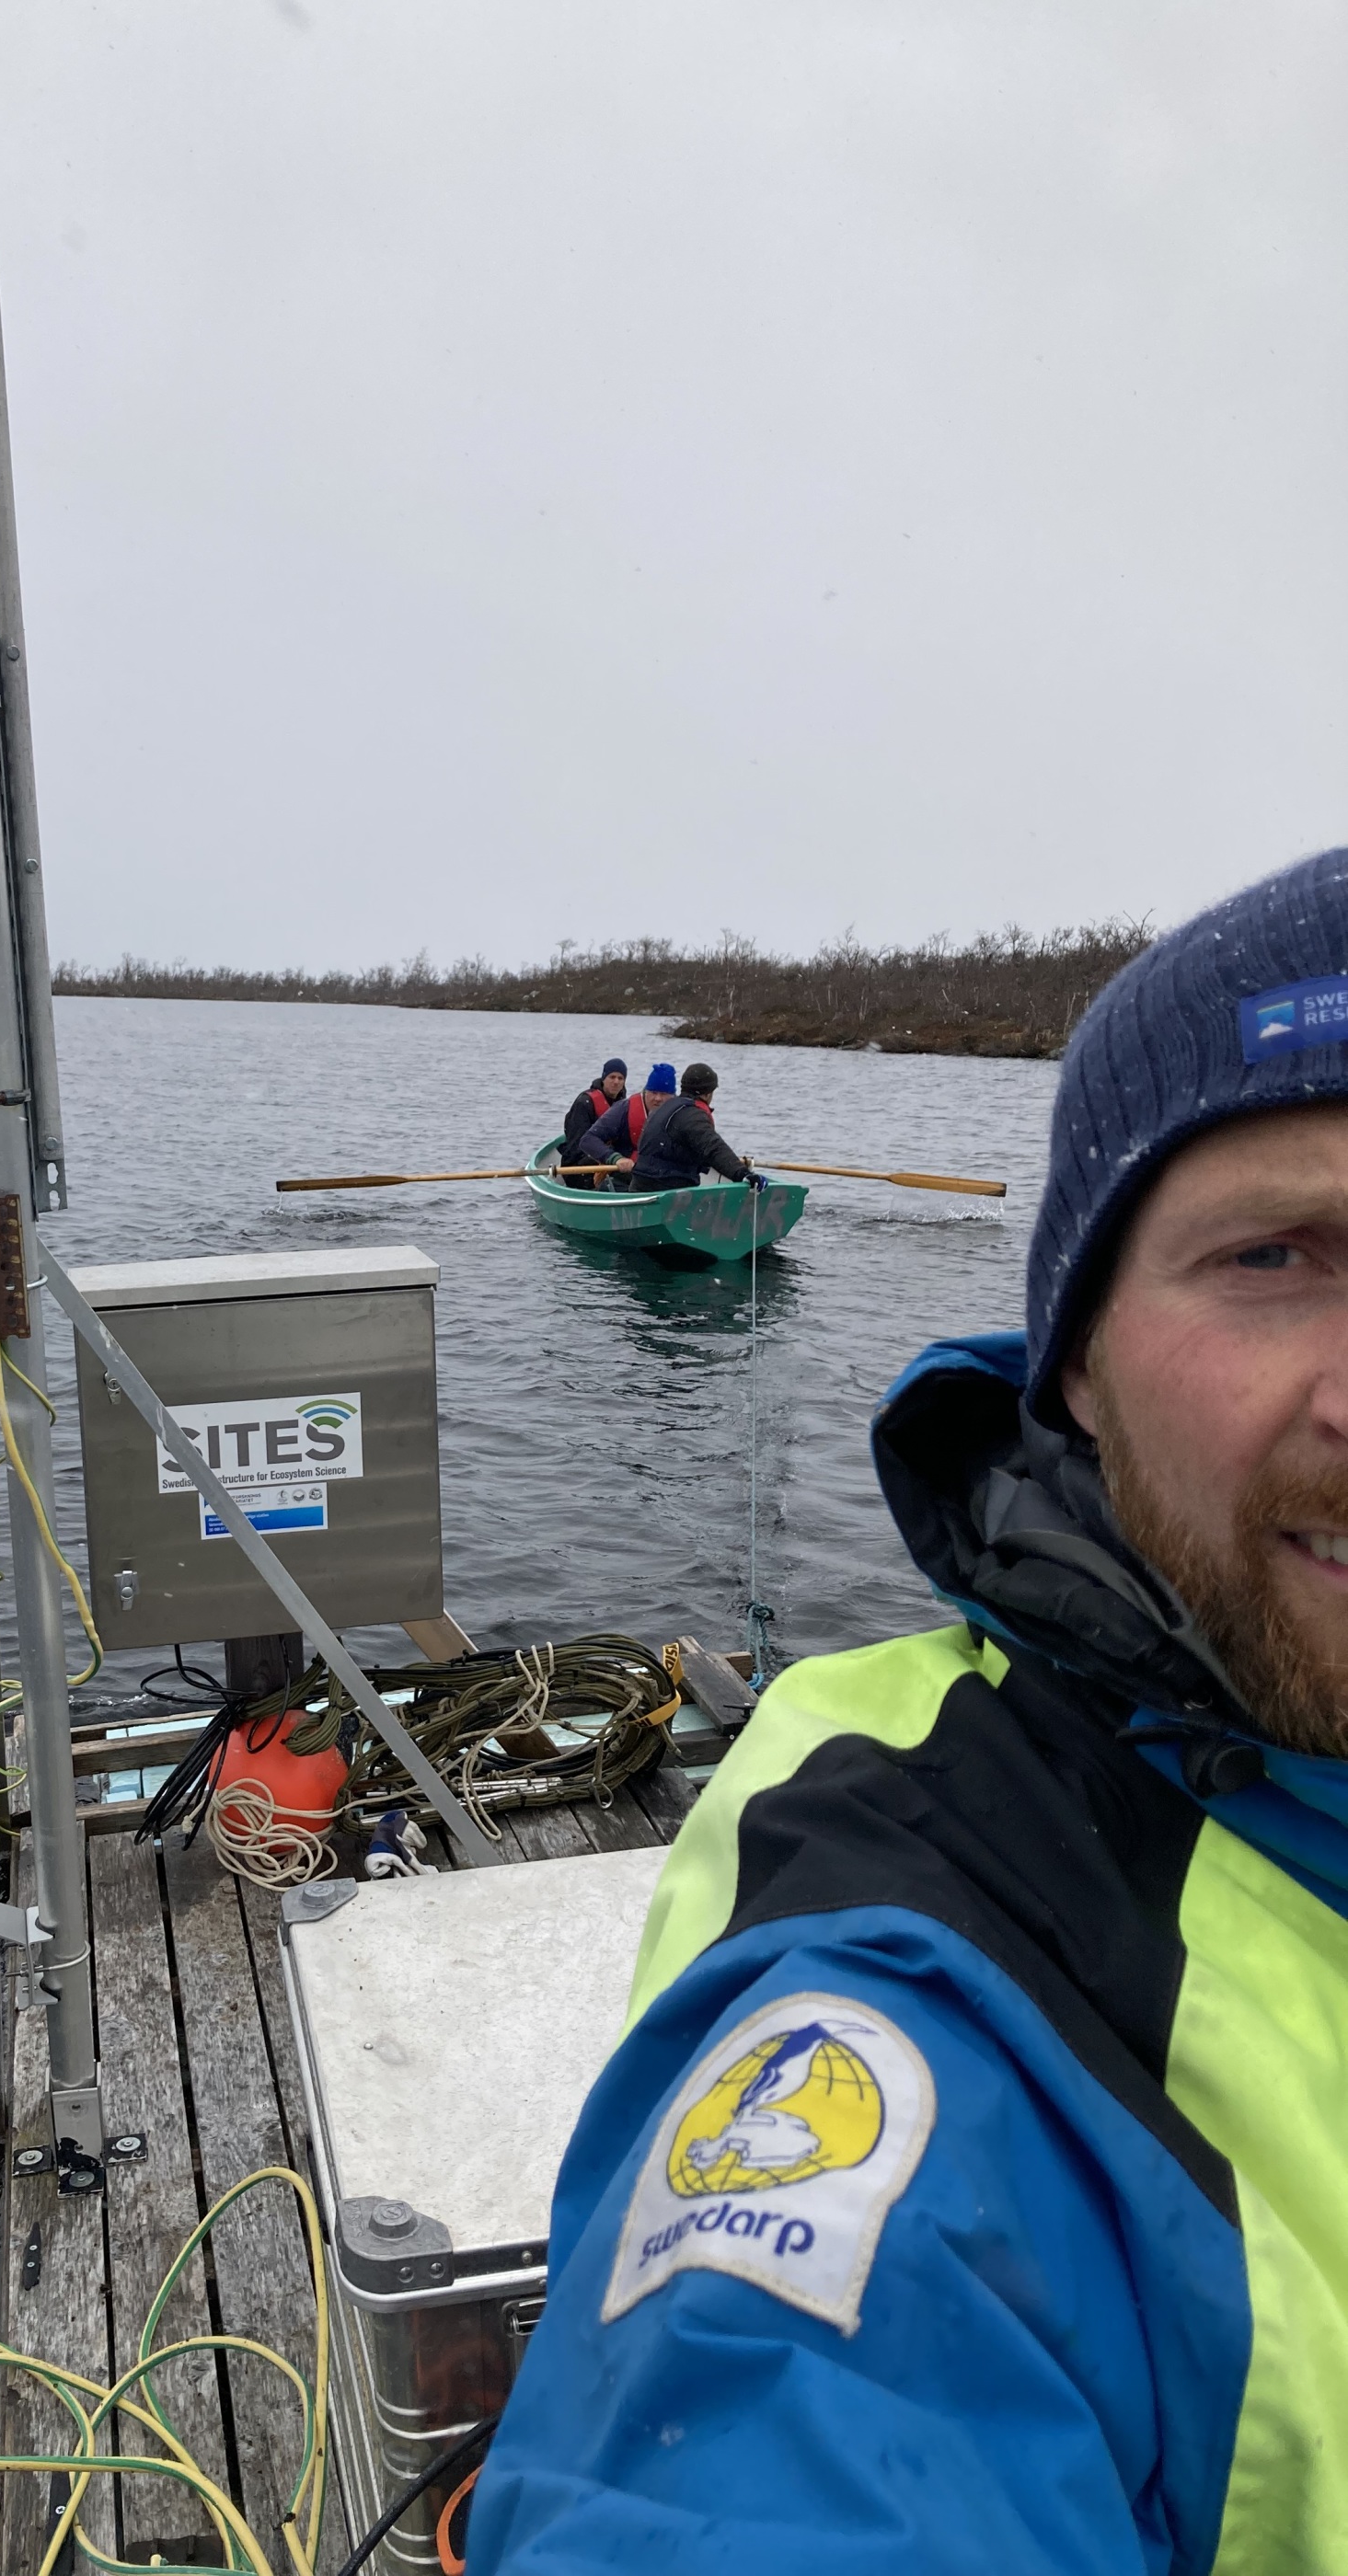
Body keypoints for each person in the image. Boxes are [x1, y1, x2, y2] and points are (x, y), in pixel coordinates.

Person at [466, 849, 1348, 2573]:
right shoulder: (927, 1957)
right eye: (1272, 1255)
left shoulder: (659, 1120)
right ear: (1072, 1361)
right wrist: (726, 1176)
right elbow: (794, 2433)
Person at [627, 1061, 764, 1190]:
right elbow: (712, 1147)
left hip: (641, 1184)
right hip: (666, 1188)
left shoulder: (666, 1107)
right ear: (708, 1094)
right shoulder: (692, 1115)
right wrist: (742, 1174)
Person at [577, 1062, 677, 1179]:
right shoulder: (623, 1109)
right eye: (654, 1092)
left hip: (668, 1178)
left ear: (673, 1096)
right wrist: (615, 1158)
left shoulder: (682, 1113)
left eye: (664, 1094)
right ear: (645, 1091)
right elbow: (588, 1140)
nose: (658, 1098)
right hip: (627, 1178)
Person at [559, 1058, 628, 1184]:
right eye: (612, 1077)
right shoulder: (585, 1104)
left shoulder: (623, 1105)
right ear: (603, 1078)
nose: (616, 1082)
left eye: (620, 1078)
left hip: (610, 1159)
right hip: (579, 1164)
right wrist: (605, 1158)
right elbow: (578, 1144)